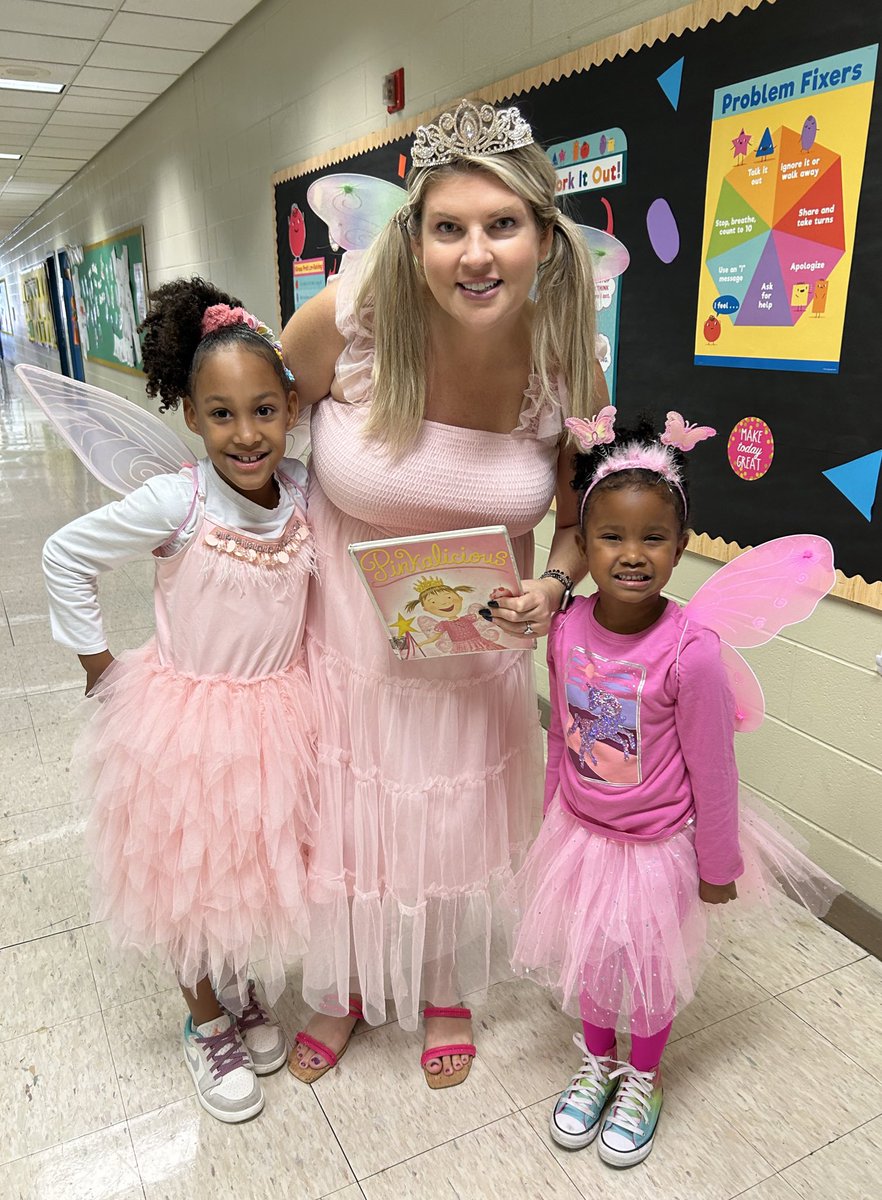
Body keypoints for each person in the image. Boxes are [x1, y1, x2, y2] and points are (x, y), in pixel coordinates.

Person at [281, 97, 606, 1088]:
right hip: (346, 645)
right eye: (449, 227)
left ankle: (441, 988)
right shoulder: (351, 324)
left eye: (501, 225)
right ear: (413, 238)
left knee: (450, 825)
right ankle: (337, 988)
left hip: (471, 661)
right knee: (347, 818)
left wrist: (553, 583)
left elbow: (582, 520)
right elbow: (250, 436)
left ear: (543, 238)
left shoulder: (565, 367)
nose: (476, 254)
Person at [507, 414, 839, 1166]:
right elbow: (560, 731)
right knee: (590, 961)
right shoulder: (566, 630)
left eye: (652, 538)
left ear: (681, 546)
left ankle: (643, 1077)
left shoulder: (693, 651)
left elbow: (715, 770)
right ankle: (596, 1064)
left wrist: (717, 865)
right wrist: (552, 808)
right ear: (583, 548)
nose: (631, 555)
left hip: (659, 846)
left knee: (649, 972)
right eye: (611, 538)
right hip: (583, 835)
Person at [41, 279, 316, 1123]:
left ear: (291, 410)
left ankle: (242, 985)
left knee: (254, 867)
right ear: (192, 417)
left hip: (280, 715)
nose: (246, 433)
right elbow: (65, 555)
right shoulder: (180, 500)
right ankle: (204, 1016)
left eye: (264, 410)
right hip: (188, 722)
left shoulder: (305, 490)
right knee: (186, 877)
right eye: (222, 413)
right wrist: (99, 665)